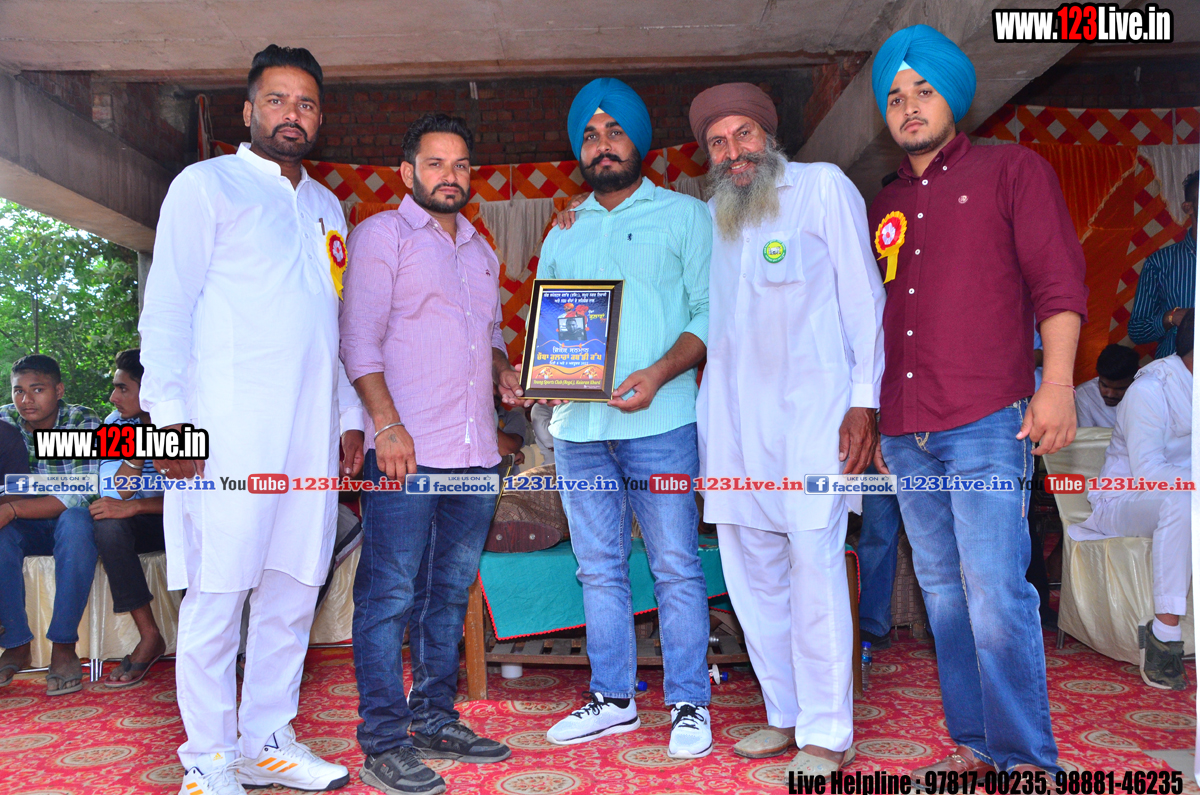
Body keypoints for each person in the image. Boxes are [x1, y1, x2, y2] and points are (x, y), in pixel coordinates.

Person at [139, 45, 365, 795]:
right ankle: (208, 760)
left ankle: (267, 740)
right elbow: (166, 314)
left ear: (320, 117)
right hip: (226, 434)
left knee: (293, 589)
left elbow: (328, 327)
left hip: (307, 438)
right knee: (219, 592)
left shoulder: (327, 207)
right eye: (276, 100)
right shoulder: (206, 186)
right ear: (248, 110)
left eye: (305, 103)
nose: (291, 115)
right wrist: (169, 423)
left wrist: (348, 414)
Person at [869, 25, 1089, 775]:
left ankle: (1028, 762)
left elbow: (1059, 284)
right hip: (906, 432)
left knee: (995, 592)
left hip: (988, 420)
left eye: (923, 90)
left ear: (953, 98)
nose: (908, 106)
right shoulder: (884, 203)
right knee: (943, 595)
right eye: (895, 97)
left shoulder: (1013, 170)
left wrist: (1056, 385)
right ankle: (975, 745)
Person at [689, 82, 885, 772]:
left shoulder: (822, 188)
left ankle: (827, 731)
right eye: (718, 142)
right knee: (752, 576)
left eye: (743, 134)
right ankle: (785, 713)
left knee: (814, 567)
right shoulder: (712, 215)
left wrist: (864, 401)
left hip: (814, 421)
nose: (733, 152)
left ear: (768, 137)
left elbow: (864, 298)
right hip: (734, 427)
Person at [537, 78, 715, 760]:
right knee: (597, 568)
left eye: (615, 131)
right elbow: (550, 323)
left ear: (639, 141)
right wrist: (545, 381)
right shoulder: (565, 229)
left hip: (662, 424)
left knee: (675, 565)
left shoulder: (685, 216)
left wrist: (659, 374)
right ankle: (613, 697)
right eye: (590, 135)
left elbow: (709, 314)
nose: (602, 145)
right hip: (580, 432)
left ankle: (689, 701)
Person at [340, 113, 514, 795]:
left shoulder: (481, 251)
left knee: (447, 594)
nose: (450, 176)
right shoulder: (381, 235)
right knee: (388, 596)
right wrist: (386, 425)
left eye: (461, 164)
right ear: (408, 172)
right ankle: (383, 742)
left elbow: (489, 335)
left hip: (475, 454)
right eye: (436, 163)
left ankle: (435, 717)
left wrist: (503, 371)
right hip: (404, 455)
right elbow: (358, 340)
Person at [1073, 310, 1193, 690]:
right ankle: (1163, 635)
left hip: (1181, 496)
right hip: (1124, 499)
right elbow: (1149, 474)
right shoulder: (1150, 390)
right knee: (1181, 500)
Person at [0, 354, 101, 696]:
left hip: (65, 521)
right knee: (2, 535)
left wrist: (13, 508)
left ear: (58, 391)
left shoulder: (82, 421)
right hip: (25, 525)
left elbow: (81, 493)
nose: (26, 400)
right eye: (18, 391)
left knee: (76, 522)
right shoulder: (4, 420)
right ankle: (16, 644)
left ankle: (63, 645)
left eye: (37, 389)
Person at [90, 348, 169, 687]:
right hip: (151, 522)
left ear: (150, 389)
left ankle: (220, 644)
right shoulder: (116, 424)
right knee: (108, 524)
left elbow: (201, 497)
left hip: (190, 518)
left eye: (123, 388)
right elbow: (116, 496)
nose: (113, 397)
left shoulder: (190, 420)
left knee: (194, 523)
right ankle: (150, 636)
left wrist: (136, 507)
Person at [1128, 171, 1197, 359]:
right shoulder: (1159, 262)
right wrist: (1171, 317)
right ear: (1188, 207)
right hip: (1175, 370)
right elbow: (1136, 331)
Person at [1075, 344, 1140, 428]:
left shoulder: (1145, 394)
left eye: (1120, 388)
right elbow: (1086, 434)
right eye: (1105, 386)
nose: (1110, 395)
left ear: (1133, 381)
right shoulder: (1084, 393)